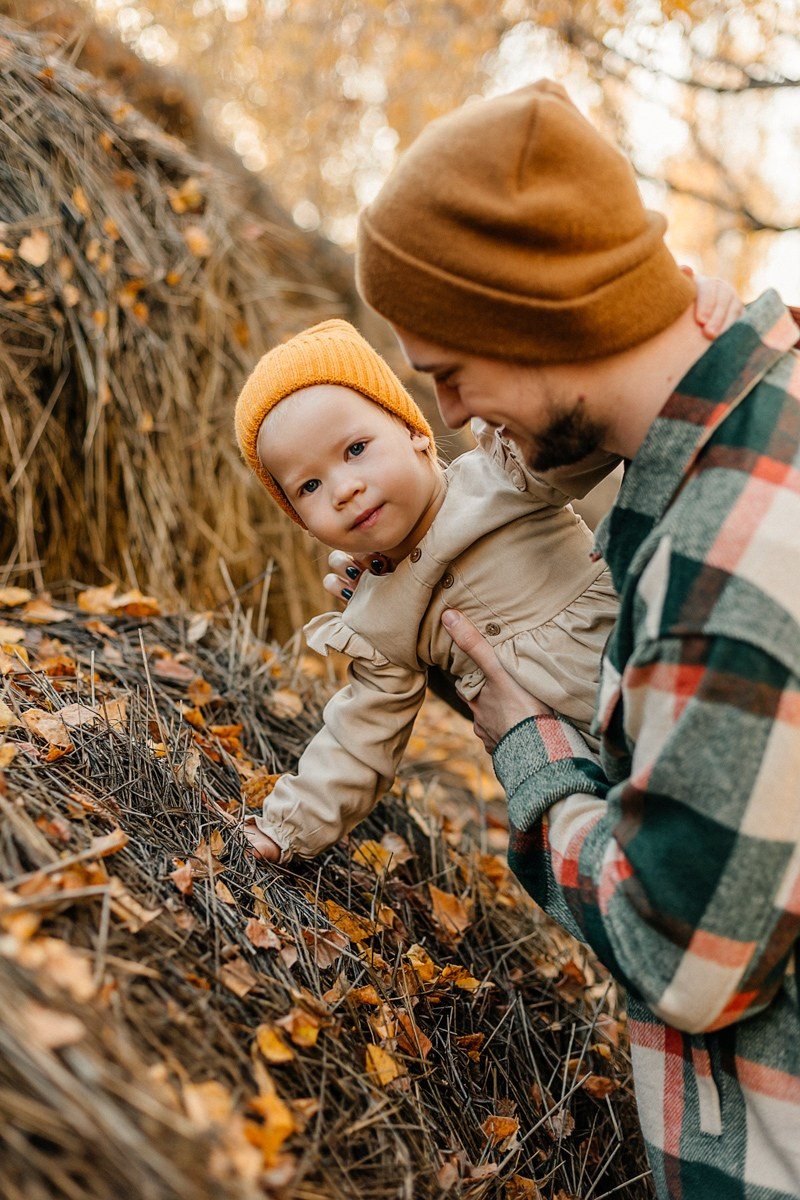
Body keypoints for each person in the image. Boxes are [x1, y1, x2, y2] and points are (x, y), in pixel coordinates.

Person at [351, 80, 800, 1200]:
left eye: (448, 373)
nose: (450, 417)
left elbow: (684, 958)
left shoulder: (731, 551)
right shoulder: (755, 417)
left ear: (532, 315)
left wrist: (530, 757)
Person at [233, 317, 619, 862]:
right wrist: (285, 829)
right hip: (583, 779)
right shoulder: (376, 619)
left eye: (356, 448)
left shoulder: (503, 481)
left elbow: (586, 429)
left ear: (414, 431)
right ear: (299, 517)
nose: (344, 489)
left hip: (663, 686)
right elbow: (358, 738)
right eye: (310, 486)